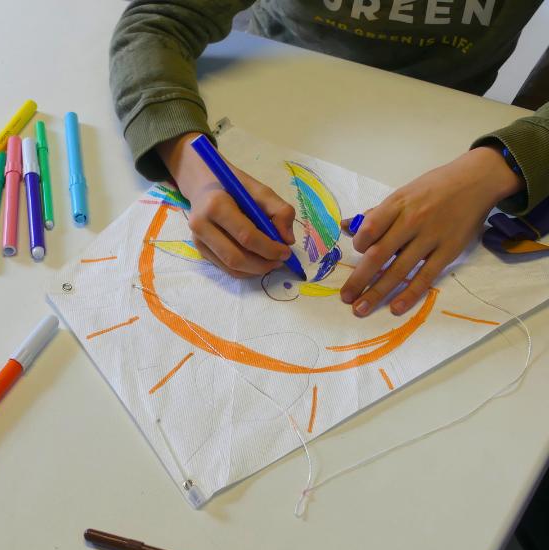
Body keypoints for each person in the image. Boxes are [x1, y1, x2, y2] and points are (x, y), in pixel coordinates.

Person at [109, 0, 549, 318]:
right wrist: (193, 165)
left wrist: (505, 161)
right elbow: (156, 24)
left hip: (452, 123)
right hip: (271, 89)